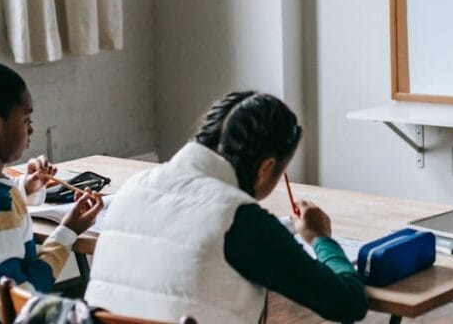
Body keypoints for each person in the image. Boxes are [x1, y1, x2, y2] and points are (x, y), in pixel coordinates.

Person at [86, 91, 367, 323]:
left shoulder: (133, 188)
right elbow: (348, 304)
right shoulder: (239, 221)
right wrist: (320, 237)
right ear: (266, 167)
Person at [0, 61, 103, 323]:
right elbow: (17, 306)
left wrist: (25, 187)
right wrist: (68, 231)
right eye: (26, 120)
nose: (31, 130)